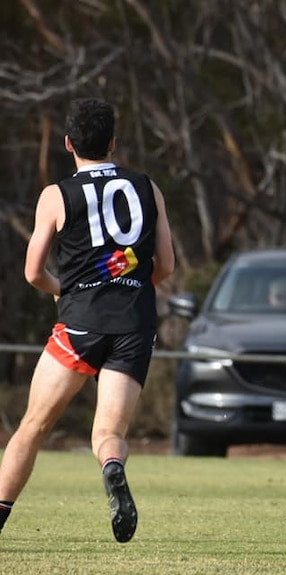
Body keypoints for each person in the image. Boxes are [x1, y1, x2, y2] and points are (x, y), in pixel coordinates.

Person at [0, 98, 175, 543]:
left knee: (33, 426)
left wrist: (66, 289)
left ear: (68, 143)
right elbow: (166, 265)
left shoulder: (57, 195)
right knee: (110, 431)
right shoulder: (147, 186)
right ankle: (113, 469)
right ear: (113, 142)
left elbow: (33, 272)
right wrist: (129, 285)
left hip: (80, 323)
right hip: (134, 324)